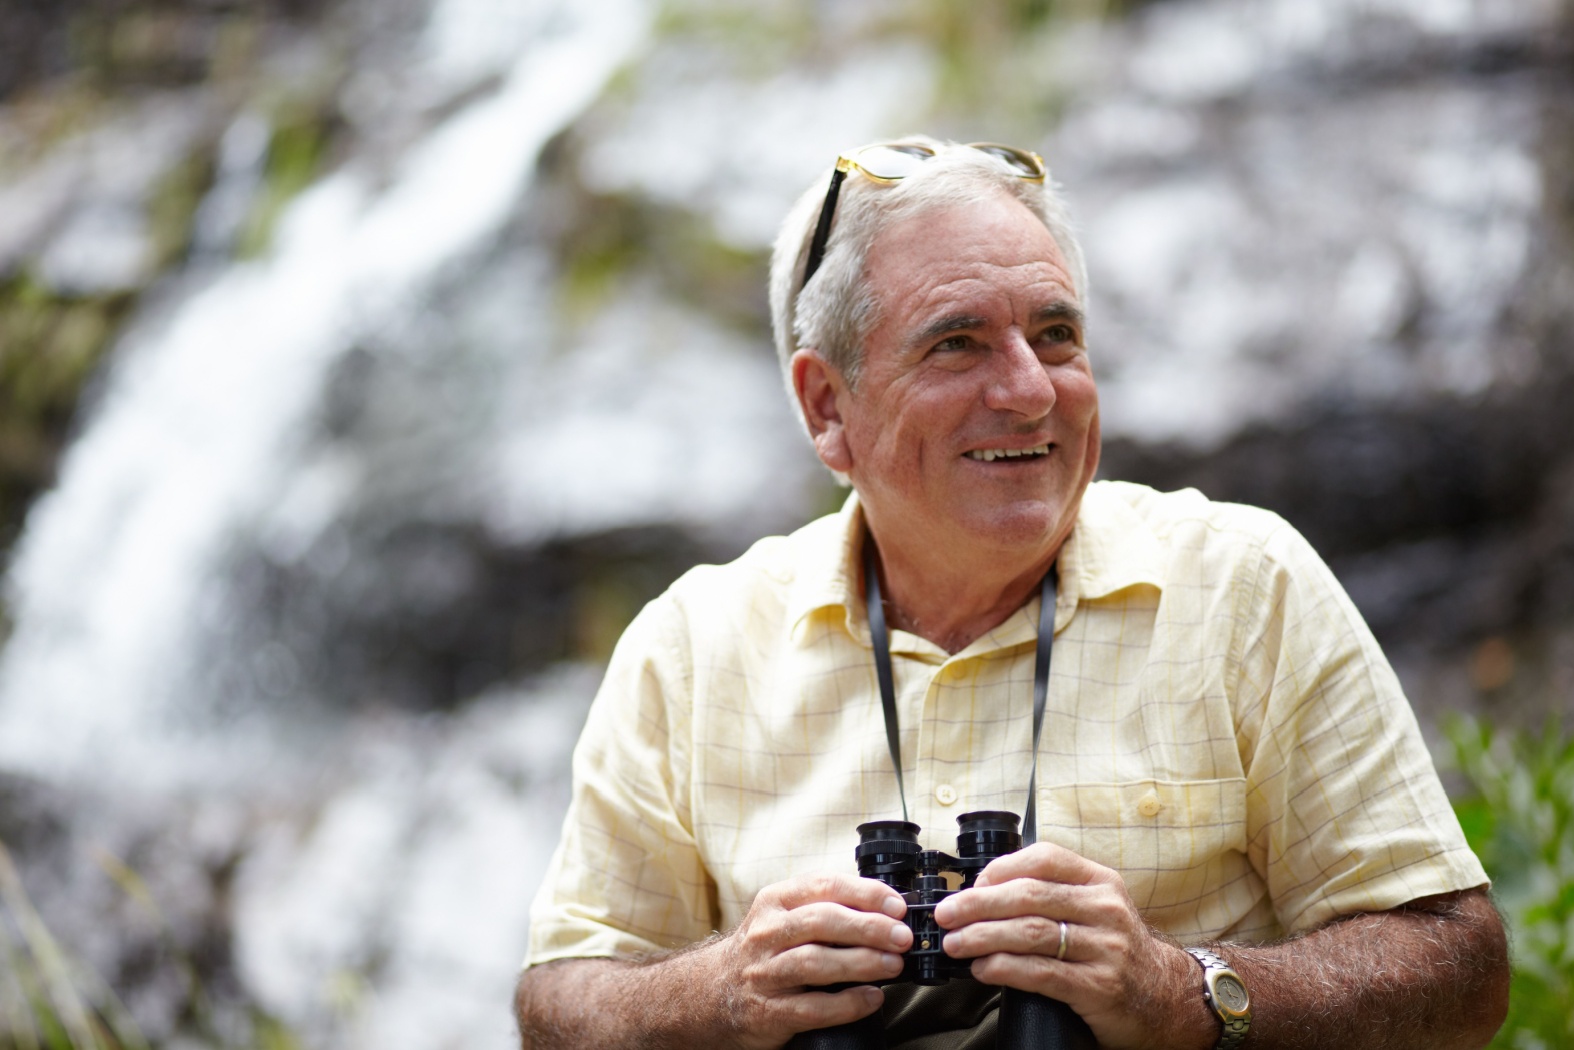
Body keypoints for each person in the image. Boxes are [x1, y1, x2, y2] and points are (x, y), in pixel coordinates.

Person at [513, 137, 1509, 1050]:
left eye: (1056, 333)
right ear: (828, 407)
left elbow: (1461, 966)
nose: (1030, 389)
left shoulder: (1243, 584)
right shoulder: (690, 645)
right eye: (958, 343)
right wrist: (721, 993)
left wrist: (1183, 991)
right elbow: (556, 1005)